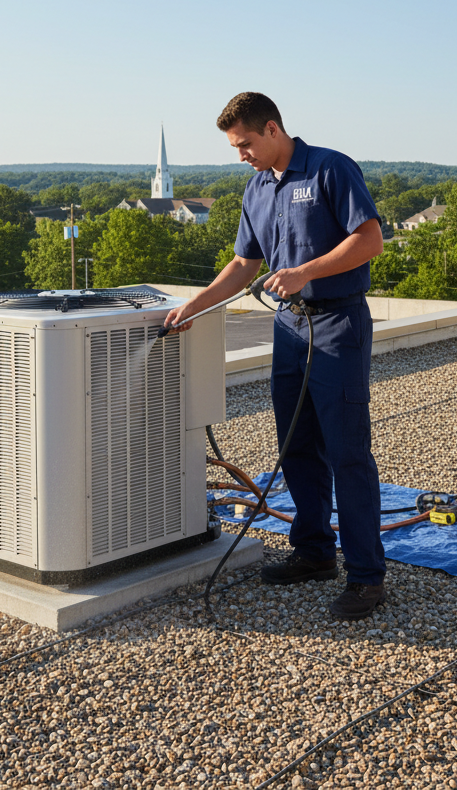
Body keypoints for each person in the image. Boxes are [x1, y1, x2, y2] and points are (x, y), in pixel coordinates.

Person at [163, 91, 387, 620]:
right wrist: (195, 305)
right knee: (297, 446)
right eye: (234, 148)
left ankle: (367, 578)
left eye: (244, 144)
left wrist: (306, 271)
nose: (240, 155)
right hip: (288, 328)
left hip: (337, 324)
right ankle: (314, 553)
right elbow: (245, 264)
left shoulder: (330, 169)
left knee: (347, 453)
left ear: (271, 128)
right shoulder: (257, 186)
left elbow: (370, 240)